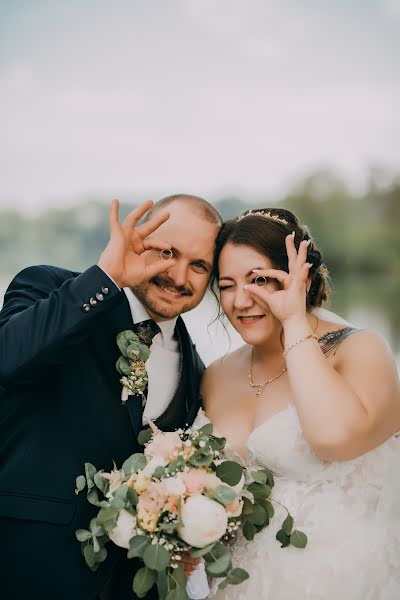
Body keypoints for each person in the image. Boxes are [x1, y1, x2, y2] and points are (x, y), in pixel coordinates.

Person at [0, 194, 222, 600]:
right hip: (29, 567)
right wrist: (107, 276)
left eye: (198, 265)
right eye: (167, 252)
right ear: (139, 241)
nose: (177, 274)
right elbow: (8, 360)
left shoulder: (197, 369)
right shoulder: (50, 287)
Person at [200, 208, 400, 599]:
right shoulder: (216, 373)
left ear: (301, 279)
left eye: (260, 280)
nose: (241, 300)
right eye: (227, 285)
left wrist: (293, 321)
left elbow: (333, 437)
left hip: (346, 582)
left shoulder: (359, 350)